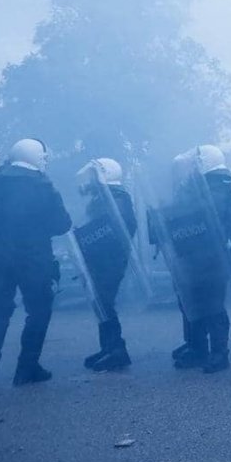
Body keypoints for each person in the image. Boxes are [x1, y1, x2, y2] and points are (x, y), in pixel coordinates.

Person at [0, 139, 72, 385]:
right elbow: (62, 224)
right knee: (39, 310)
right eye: (42, 155)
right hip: (33, 256)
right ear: (35, 157)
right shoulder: (42, 185)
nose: (44, 160)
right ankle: (26, 367)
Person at [163, 145, 231, 373]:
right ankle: (197, 348)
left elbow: (205, 215)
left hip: (211, 257)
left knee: (213, 304)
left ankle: (219, 353)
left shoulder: (218, 188)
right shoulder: (200, 187)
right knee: (190, 303)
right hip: (192, 256)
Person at [76, 158, 138, 371]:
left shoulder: (117, 200)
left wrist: (87, 238)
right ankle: (109, 348)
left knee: (104, 302)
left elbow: (118, 230)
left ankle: (117, 351)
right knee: (101, 303)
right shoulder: (105, 198)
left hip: (109, 262)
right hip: (101, 261)